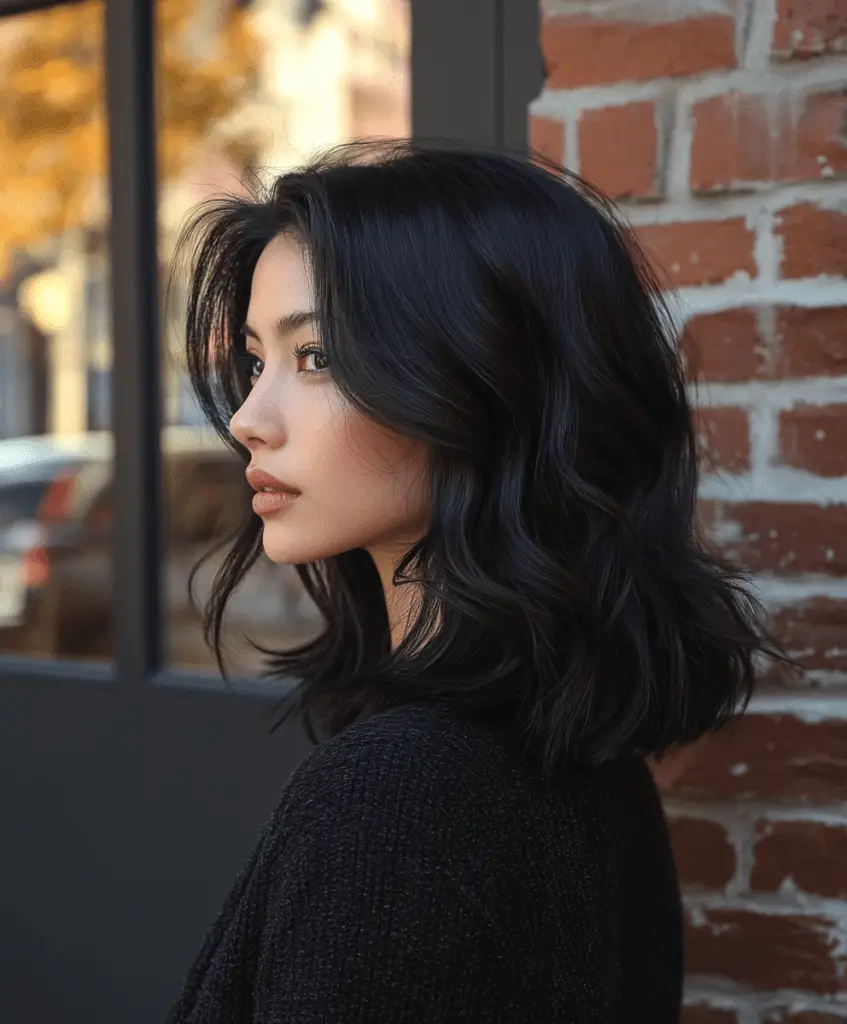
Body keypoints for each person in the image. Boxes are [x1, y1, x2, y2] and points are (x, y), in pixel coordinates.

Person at [165, 140, 792, 1023]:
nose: (246, 420)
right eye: (259, 362)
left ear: (487, 383)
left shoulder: (399, 799)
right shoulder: (582, 763)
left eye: (318, 357)